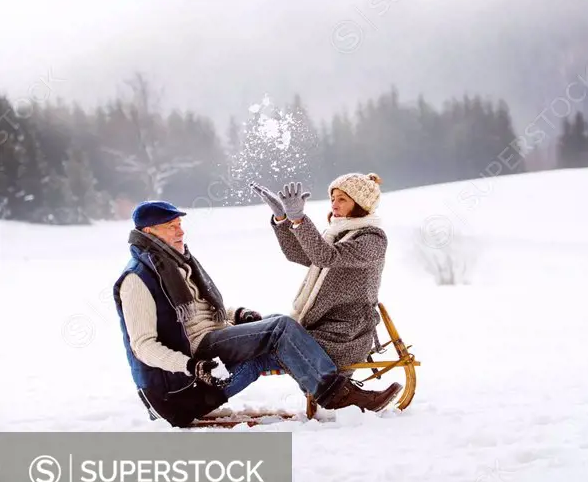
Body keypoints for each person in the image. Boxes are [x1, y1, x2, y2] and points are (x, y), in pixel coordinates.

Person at [113, 200, 400, 427]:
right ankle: (337, 394)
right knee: (280, 328)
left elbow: (200, 308)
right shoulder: (138, 279)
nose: (180, 231)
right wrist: (192, 366)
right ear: (149, 233)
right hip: (195, 352)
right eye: (171, 226)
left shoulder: (175, 264)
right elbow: (143, 347)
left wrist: (237, 314)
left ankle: (320, 384)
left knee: (274, 322)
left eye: (179, 224)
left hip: (210, 334)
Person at [250, 172, 392, 372]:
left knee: (269, 342)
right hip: (320, 325)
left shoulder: (372, 239)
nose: (334, 204)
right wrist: (282, 219)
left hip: (345, 335)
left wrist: (299, 220)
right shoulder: (337, 233)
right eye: (333, 198)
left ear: (360, 204)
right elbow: (300, 254)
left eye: (342, 199)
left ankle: (212, 391)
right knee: (267, 326)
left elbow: (326, 257)